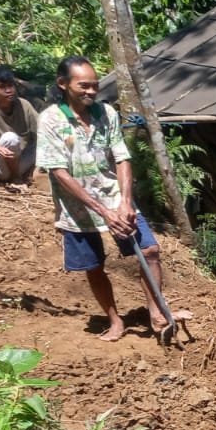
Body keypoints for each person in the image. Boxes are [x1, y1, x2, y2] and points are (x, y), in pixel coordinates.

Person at [36, 55, 185, 342]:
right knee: (93, 265)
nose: (91, 91)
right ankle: (115, 320)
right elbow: (58, 172)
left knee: (150, 251)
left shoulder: (107, 114)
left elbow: (122, 158)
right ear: (63, 84)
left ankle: (156, 312)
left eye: (94, 85)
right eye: (84, 85)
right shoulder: (50, 120)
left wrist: (126, 201)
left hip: (114, 195)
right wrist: (103, 212)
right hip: (76, 207)